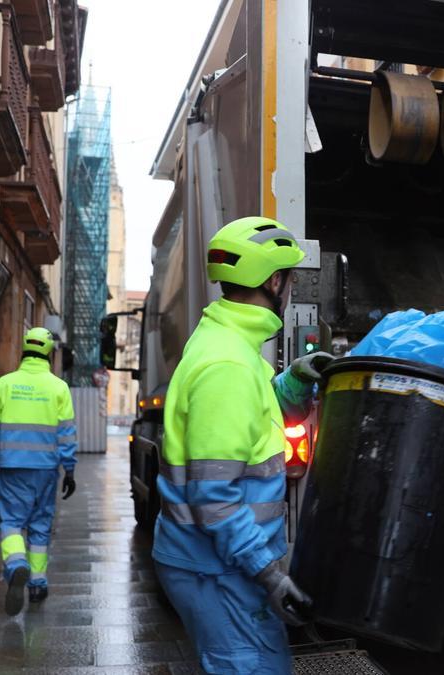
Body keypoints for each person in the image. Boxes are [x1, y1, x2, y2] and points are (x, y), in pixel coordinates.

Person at [153, 217, 334, 674]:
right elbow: (214, 500)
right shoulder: (228, 365)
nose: (290, 288)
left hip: (219, 566)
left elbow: (251, 420)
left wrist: (293, 383)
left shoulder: (229, 346)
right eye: (290, 278)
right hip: (217, 571)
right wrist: (270, 575)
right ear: (274, 281)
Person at [0, 327, 78, 615]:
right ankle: (38, 583)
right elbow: (67, 433)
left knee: (11, 521)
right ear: (48, 351)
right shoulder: (59, 387)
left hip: (12, 466)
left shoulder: (5, 384)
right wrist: (69, 470)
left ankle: (16, 563)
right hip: (46, 469)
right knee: (40, 525)